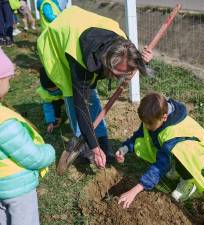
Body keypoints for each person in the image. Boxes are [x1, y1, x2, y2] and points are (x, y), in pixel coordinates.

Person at [37, 6, 153, 169]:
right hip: (57, 43)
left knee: (92, 98)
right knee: (75, 98)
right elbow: (81, 106)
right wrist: (93, 147)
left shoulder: (124, 45)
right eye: (120, 73)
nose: (124, 76)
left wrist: (142, 61)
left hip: (81, 24)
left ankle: (103, 144)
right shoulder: (79, 60)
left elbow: (130, 61)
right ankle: (84, 146)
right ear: (108, 64)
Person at [116, 93, 204, 208]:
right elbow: (140, 134)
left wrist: (135, 190)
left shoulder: (172, 134)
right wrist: (125, 148)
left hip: (194, 150)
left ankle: (187, 180)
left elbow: (160, 166)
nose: (146, 126)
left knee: (178, 153)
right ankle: (177, 167)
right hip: (174, 146)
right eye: (144, 123)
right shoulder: (153, 115)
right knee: (166, 149)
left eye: (149, 124)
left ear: (164, 117)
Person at [0, 48, 56, 225]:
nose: (11, 79)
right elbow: (32, 157)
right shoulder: (5, 123)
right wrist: (49, 151)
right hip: (17, 188)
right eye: (8, 77)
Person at [36, 67, 64, 133]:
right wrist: (51, 121)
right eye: (50, 91)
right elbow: (47, 107)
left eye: (57, 90)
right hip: (58, 101)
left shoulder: (67, 85)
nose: (54, 93)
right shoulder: (44, 92)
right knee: (55, 104)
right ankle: (57, 118)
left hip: (66, 97)